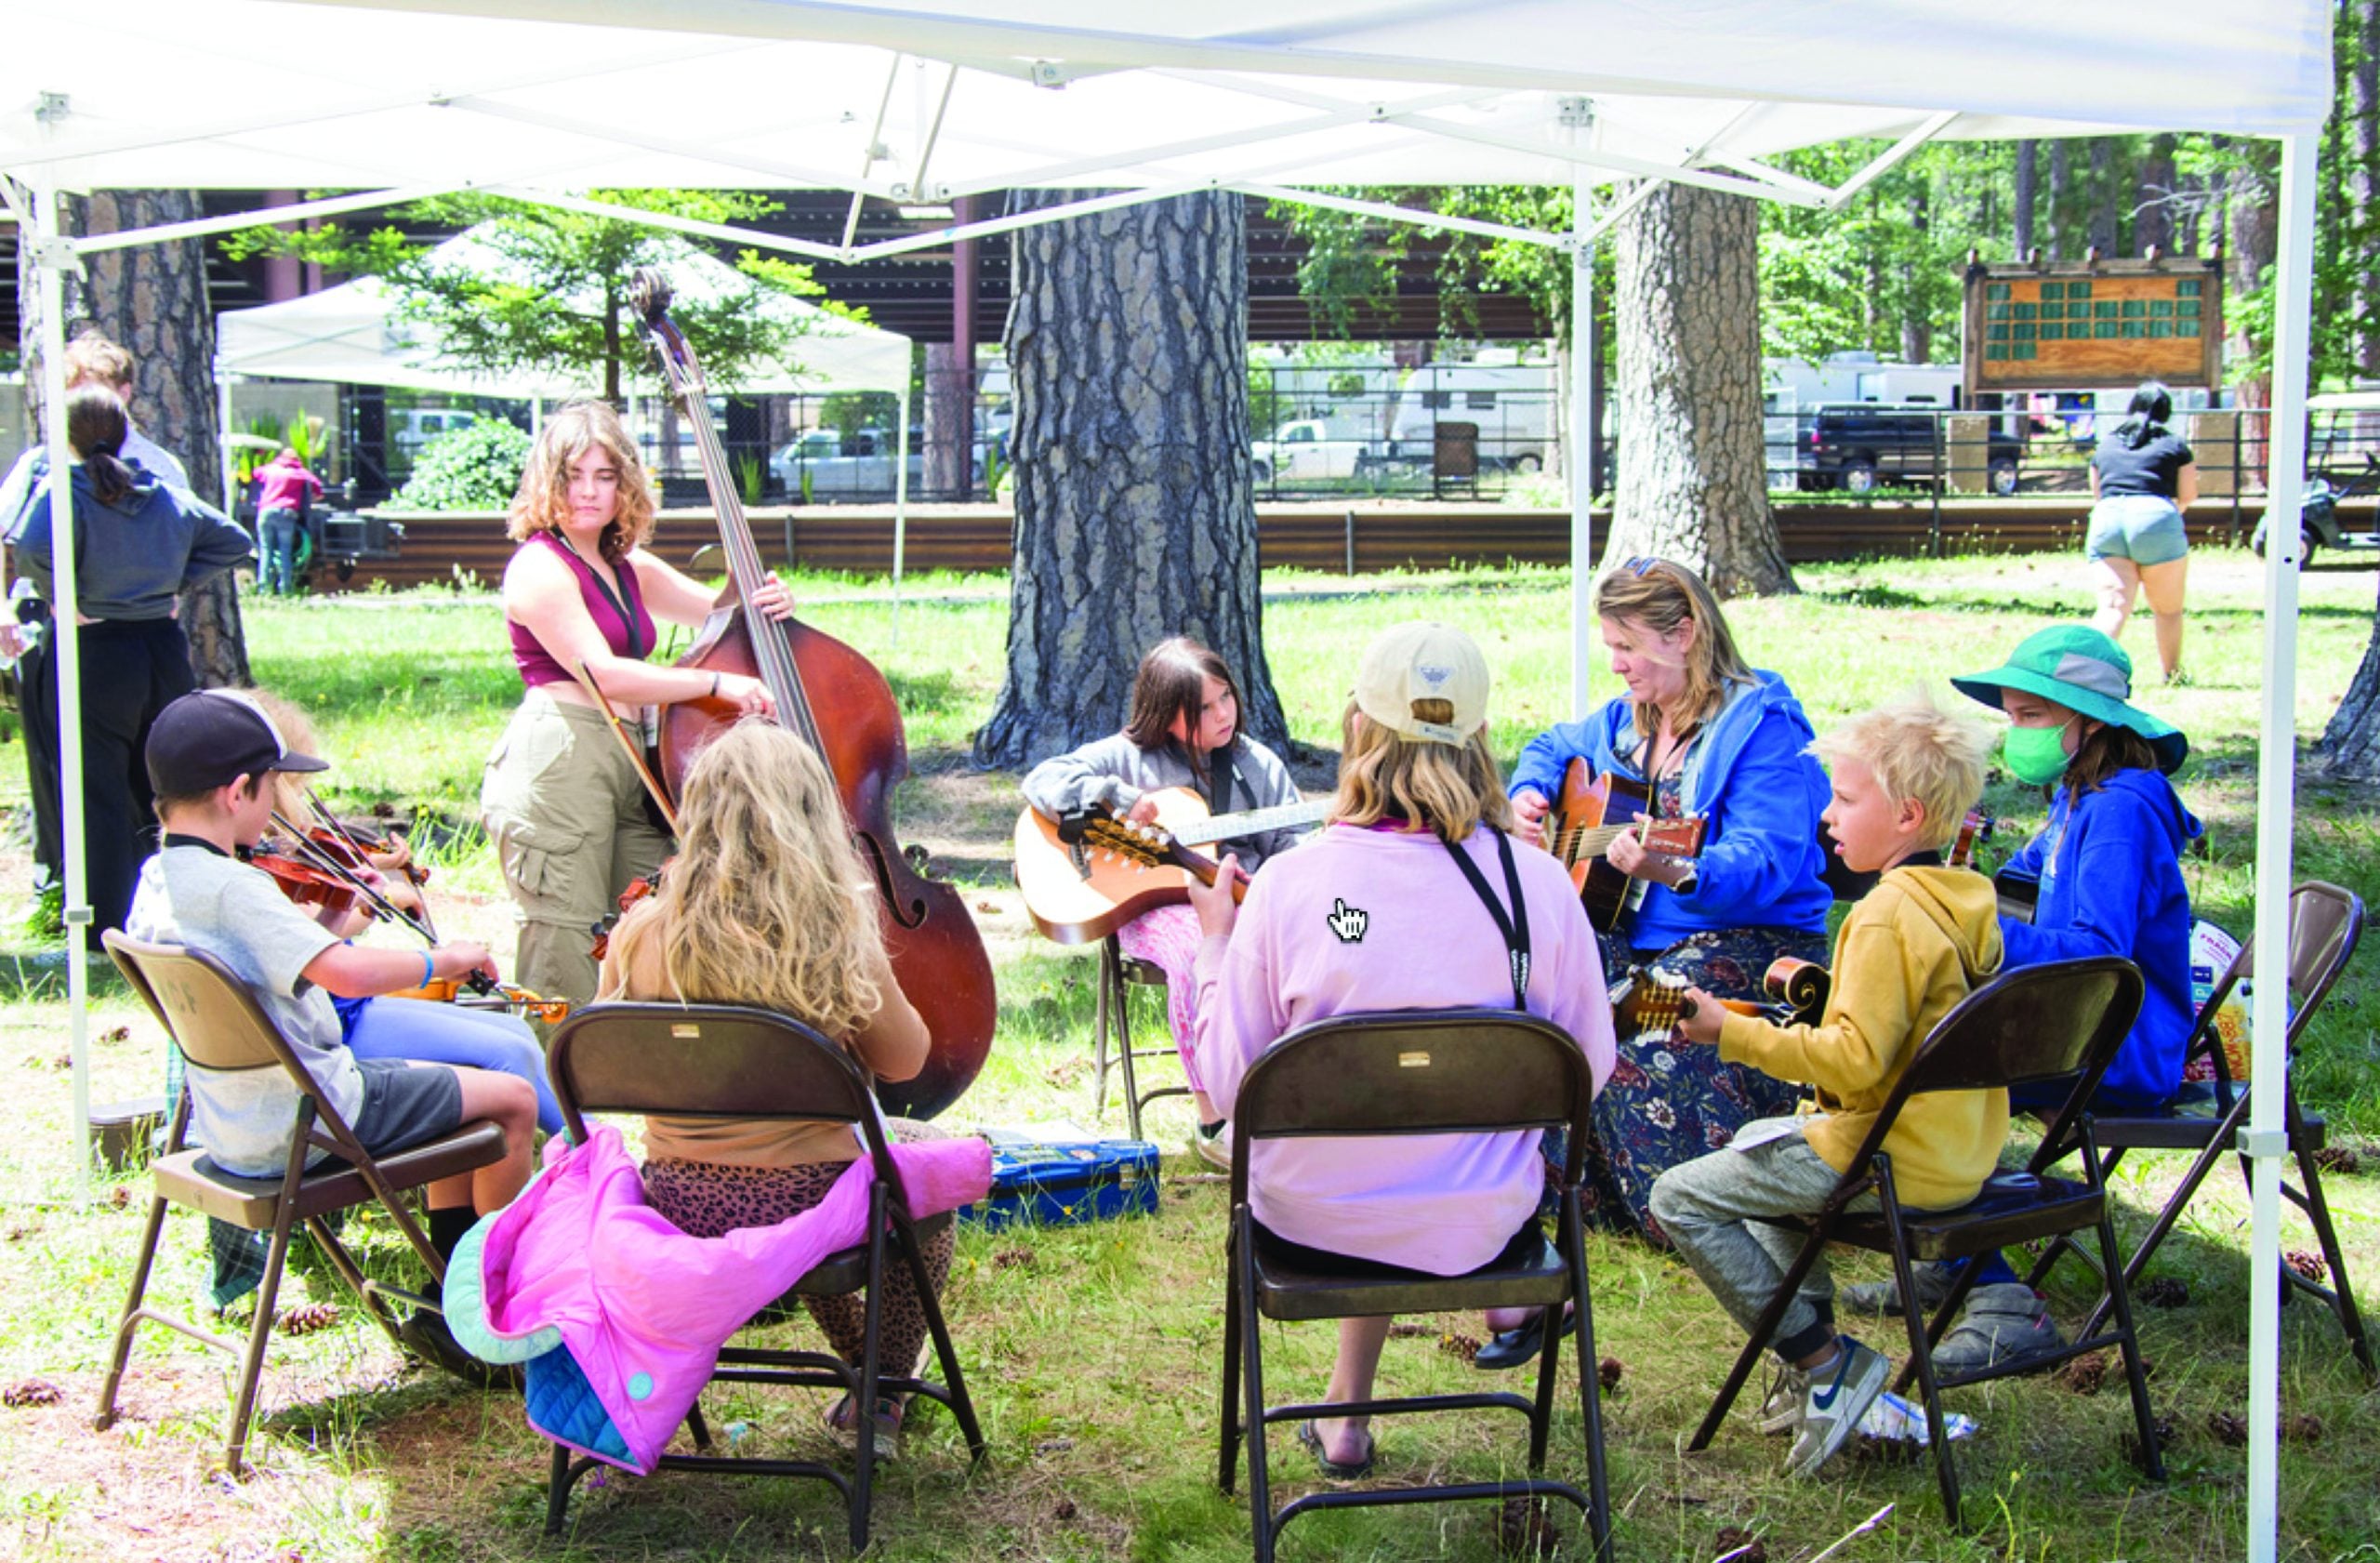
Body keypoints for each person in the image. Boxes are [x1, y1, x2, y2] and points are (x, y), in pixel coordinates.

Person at [1187, 622, 1615, 1479]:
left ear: (1357, 728)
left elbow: (1227, 1086)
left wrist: (1214, 945)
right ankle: (1346, 1410)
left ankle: (1343, 1417)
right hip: (1482, 1221)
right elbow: (1589, 1071)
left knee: (1368, 1140)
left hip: (1310, 1221)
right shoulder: (1539, 883)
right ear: (1481, 735)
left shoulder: (1290, 885)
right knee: (1416, 1139)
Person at [131, 689, 538, 1375]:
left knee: (459, 1095)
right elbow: (345, 976)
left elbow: (284, 969)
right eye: (271, 786)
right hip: (313, 1120)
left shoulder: (159, 879)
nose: (275, 804)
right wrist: (446, 959)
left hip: (233, 1123)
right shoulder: (235, 887)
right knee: (512, 1100)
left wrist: (328, 917)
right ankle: (484, 1316)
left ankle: (445, 1304)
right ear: (237, 792)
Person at [1650, 690, 2002, 1478]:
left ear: (1907, 815)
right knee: (1758, 1145)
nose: (1828, 815)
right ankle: (1810, 1379)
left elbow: (1852, 1062)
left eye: (1844, 799)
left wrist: (1728, 1031)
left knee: (1679, 1196)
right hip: (1955, 1153)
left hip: (1885, 1158)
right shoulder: (1962, 898)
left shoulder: (1882, 915)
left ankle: (1827, 1363)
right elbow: (1896, 1027)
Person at [1847, 625, 2200, 1371]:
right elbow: (2009, 884)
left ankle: (2002, 1298)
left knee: (1918, 1073)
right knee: (1906, 1055)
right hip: (2076, 1024)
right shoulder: (2077, 797)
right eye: (2011, 715)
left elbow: (2099, 954)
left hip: (2118, 1043)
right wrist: (1947, 889)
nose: (2018, 732)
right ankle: (1957, 1258)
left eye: (2033, 715)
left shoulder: (2122, 811)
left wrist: (1973, 933)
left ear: (2091, 721)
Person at [598, 721, 949, 1459]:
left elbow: (606, 1051)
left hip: (676, 1197)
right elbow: (907, 1060)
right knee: (921, 1175)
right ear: (811, 818)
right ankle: (883, 1386)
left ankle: (869, 1373)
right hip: (806, 1200)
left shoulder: (642, 930)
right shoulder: (831, 936)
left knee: (835, 1176)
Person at [1502, 557, 1833, 1247]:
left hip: (1747, 949)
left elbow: (1769, 857)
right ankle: (1568, 1194)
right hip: (1636, 942)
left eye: (1627, 646)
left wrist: (1678, 869)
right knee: (1534, 1008)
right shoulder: (1629, 722)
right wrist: (1529, 792)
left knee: (1630, 1033)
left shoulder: (1763, 725)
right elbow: (1552, 744)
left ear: (1683, 635)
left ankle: (1696, 1209)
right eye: (1611, 645)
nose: (1616, 664)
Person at [481, 400, 791, 1005]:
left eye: (604, 476)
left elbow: (722, 618)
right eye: (572, 476)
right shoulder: (538, 567)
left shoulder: (626, 564)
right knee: (566, 945)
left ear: (625, 484)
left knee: (652, 922)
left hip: (634, 758)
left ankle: (634, 1058)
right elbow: (604, 675)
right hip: (563, 754)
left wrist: (766, 596)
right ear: (547, 481)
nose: (587, 492)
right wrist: (712, 686)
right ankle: (553, 1069)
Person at [1020, 637, 1308, 1166]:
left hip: (1246, 904)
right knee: (1195, 947)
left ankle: (1287, 1095)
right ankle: (1214, 1119)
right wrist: (1119, 799)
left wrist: (1267, 878)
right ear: (1164, 713)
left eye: (1226, 697)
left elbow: (1295, 847)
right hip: (1155, 910)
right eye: (1204, 708)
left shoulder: (1258, 764)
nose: (1223, 714)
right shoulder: (1126, 758)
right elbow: (1042, 779)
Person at [12, 388, 251, 941]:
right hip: (161, 649)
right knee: (164, 786)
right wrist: (172, 585)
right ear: (125, 432)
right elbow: (234, 540)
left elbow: (28, 549)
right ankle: (171, 913)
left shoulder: (65, 491)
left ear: (67, 437)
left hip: (96, 647)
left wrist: (66, 594)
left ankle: (105, 921)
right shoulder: (160, 492)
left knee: (95, 787)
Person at [0, 330, 200, 896]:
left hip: (138, 631)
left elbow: (198, 538)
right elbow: (11, 539)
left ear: (126, 392)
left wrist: (169, 591)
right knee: (59, 767)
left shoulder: (156, 465)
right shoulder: (41, 463)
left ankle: (147, 890)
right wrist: (8, 609)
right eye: (74, 389)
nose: (85, 400)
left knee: (149, 769)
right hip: (54, 626)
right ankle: (64, 883)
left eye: (97, 387)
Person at [2084, 380, 2197, 684]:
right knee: (2168, 610)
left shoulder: (2106, 445)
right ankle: (2172, 673)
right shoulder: (2175, 445)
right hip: (2155, 515)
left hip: (2109, 517)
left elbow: (2097, 492)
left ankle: (2084, 673)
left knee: (2112, 607)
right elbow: (2188, 495)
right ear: (2166, 412)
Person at [251, 447, 324, 597]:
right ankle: (285, 589)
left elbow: (255, 473)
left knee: (266, 550)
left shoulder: (270, 469)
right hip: (286, 514)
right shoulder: (300, 472)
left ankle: (263, 588)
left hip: (265, 512)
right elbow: (318, 489)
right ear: (296, 460)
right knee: (285, 551)